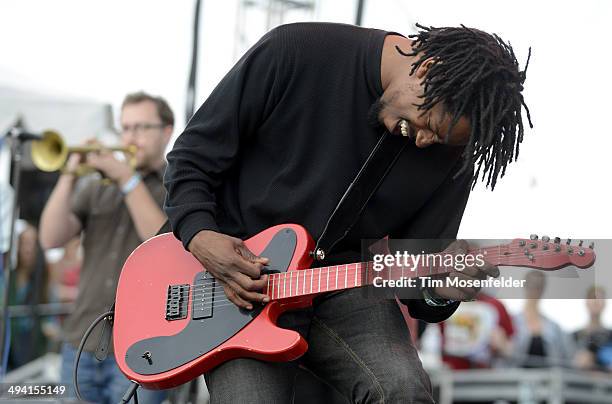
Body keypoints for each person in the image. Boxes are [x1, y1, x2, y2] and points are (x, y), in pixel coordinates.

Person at [164, 22, 531, 402]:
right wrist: (200, 236)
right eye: (429, 127)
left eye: (439, 140)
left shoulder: (452, 153)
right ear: (425, 69)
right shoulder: (295, 50)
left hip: (343, 283)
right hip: (237, 281)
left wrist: (440, 290)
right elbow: (191, 158)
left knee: (404, 391)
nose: (425, 142)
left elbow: (416, 269)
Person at [39, 91, 172, 404]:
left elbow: (161, 241)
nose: (131, 136)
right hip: (82, 341)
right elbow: (50, 238)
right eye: (125, 128)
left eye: (141, 127)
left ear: (166, 132)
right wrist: (69, 176)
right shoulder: (99, 186)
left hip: (145, 348)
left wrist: (126, 178)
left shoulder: (177, 184)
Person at [511, 270, 574, 368]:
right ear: (525, 286)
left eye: (539, 286)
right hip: (516, 379)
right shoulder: (512, 322)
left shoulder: (554, 327)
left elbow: (567, 357)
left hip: (548, 380)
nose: (535, 290)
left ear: (543, 288)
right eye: (531, 285)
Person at [573, 286, 612, 372]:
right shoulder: (573, 336)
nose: (596, 302)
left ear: (605, 303)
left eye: (600, 298)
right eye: (592, 298)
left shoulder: (610, 336)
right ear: (586, 302)